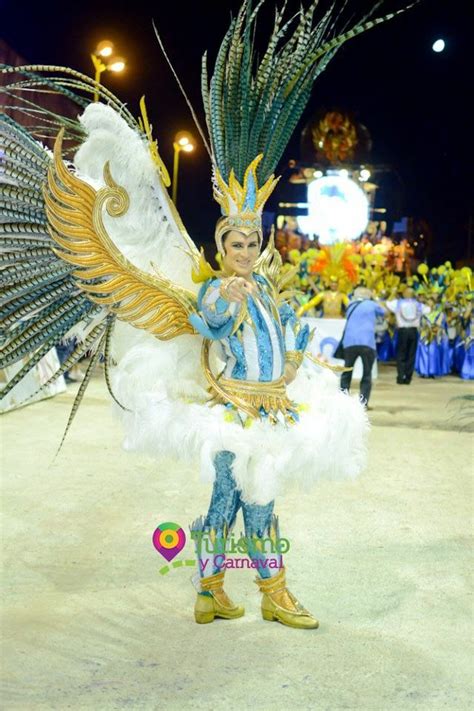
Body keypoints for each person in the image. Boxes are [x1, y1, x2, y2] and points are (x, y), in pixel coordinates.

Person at [1, 2, 407, 633]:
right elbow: (213, 330)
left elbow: (284, 336)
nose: (245, 251)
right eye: (236, 243)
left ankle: (216, 588)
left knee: (258, 500)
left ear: (262, 241)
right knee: (238, 503)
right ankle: (262, 592)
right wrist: (224, 306)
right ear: (222, 247)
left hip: (272, 404)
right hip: (230, 410)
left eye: (253, 241)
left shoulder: (266, 290)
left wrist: (301, 353)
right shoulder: (218, 292)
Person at [340, 287, 385, 407]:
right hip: (367, 343)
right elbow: (384, 311)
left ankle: (343, 401)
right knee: (366, 374)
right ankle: (363, 403)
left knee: (347, 372)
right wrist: (375, 298)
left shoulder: (350, 305)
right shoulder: (372, 304)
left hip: (349, 343)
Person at [386, 287, 430, 384]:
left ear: (404, 294)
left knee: (401, 354)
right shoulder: (418, 305)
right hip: (413, 331)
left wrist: (393, 293)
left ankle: (401, 376)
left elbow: (387, 304)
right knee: (411, 354)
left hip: (402, 331)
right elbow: (429, 309)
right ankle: (408, 378)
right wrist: (425, 299)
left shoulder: (397, 303)